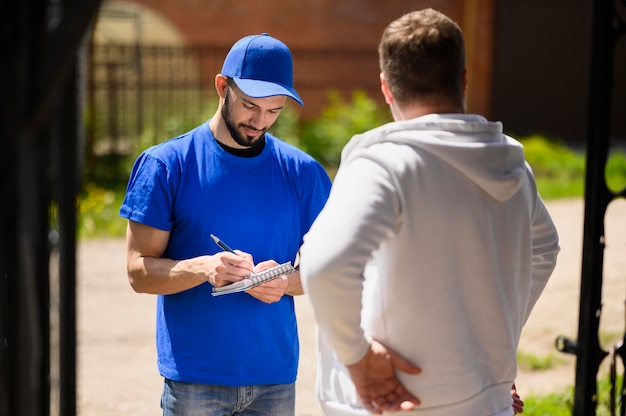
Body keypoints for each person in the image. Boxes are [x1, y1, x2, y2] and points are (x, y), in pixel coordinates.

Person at [300, 8, 559, 416]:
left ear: (386, 88)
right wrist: (496, 336)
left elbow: (325, 265)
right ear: (463, 79)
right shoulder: (513, 166)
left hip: (397, 401)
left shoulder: (385, 165)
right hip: (487, 398)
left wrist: (359, 360)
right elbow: (545, 247)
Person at [119, 33, 332, 415]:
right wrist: (203, 268)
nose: (260, 122)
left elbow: (331, 270)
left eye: (274, 111)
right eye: (250, 106)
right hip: (194, 380)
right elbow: (138, 271)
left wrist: (287, 282)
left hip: (275, 379)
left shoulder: (304, 173)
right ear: (222, 86)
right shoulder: (167, 165)